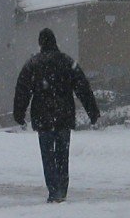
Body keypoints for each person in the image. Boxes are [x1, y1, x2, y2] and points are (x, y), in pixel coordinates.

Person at [12, 27, 100, 203]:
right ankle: (62, 189)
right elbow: (82, 87)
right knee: (62, 155)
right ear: (55, 42)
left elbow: (22, 90)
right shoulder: (67, 62)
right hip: (64, 116)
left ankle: (53, 191)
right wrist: (93, 111)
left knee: (48, 156)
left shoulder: (33, 64)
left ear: (40, 43)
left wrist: (19, 113)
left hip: (42, 117)